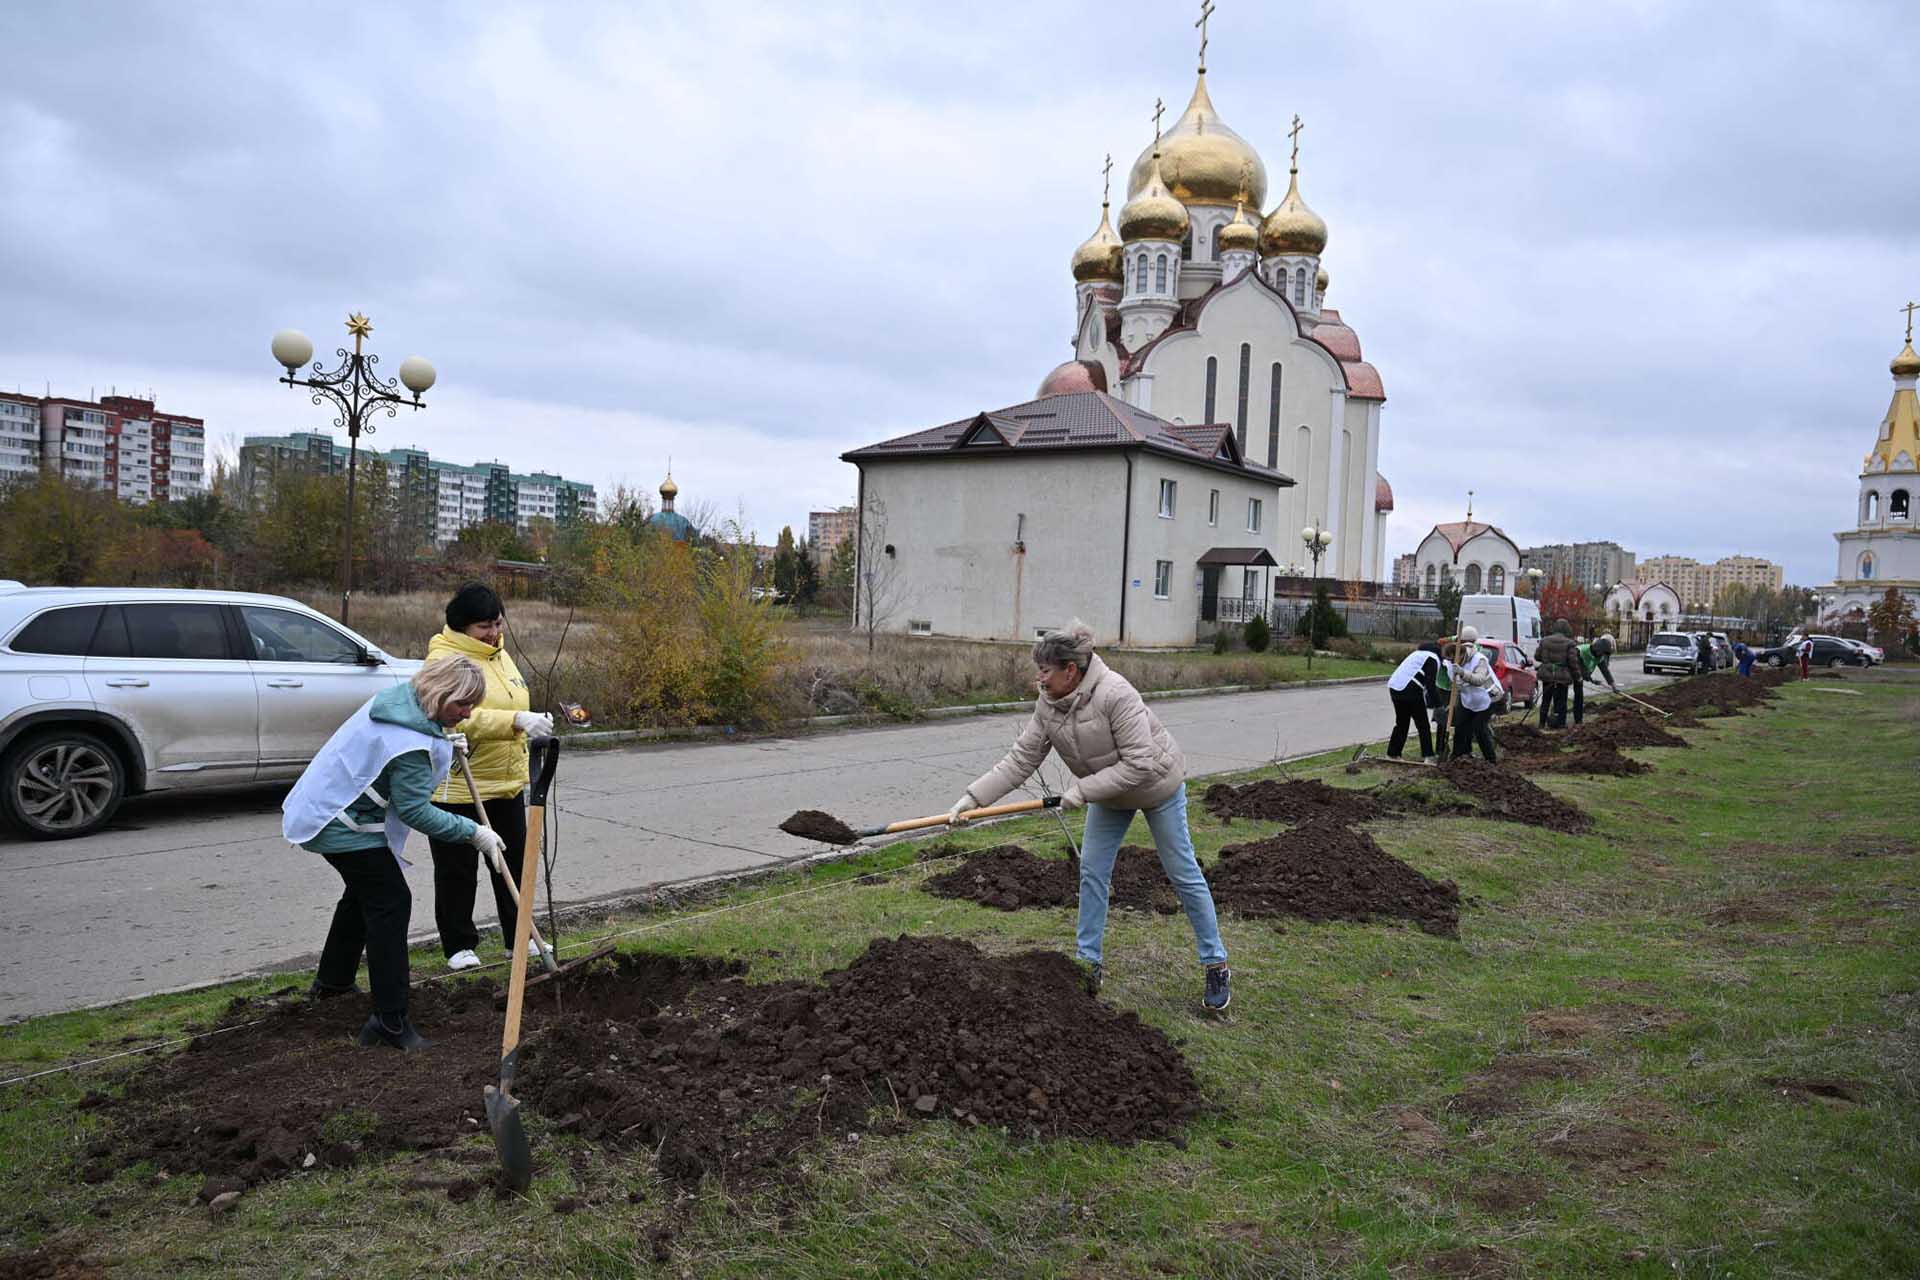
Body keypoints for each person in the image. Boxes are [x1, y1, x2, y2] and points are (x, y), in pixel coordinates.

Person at [948, 622, 1231, 1011]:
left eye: (1046, 670)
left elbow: (1140, 764)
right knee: (1092, 872)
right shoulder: (1048, 704)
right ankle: (1088, 963)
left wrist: (1081, 790)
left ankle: (1215, 962)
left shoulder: (1116, 694)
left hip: (1156, 786)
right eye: (1039, 670)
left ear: (1071, 670)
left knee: (1182, 872)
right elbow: (1021, 759)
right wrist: (972, 798)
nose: (1039, 678)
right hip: (1109, 795)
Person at [283, 657, 506, 1051]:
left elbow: (411, 747)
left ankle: (332, 984)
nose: (467, 713)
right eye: (461, 706)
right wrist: (473, 832)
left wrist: (442, 736)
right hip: (338, 821)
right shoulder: (411, 743)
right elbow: (415, 810)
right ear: (439, 695)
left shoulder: (405, 703)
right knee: (390, 901)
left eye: (472, 705)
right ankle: (389, 1019)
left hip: (328, 804)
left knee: (364, 893)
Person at [425, 583, 555, 972]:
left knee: (513, 863)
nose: (494, 632)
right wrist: (516, 721)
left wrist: (533, 719)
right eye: (485, 626)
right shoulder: (444, 657)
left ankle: (521, 937)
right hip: (460, 784)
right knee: (457, 870)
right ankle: (459, 945)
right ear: (462, 626)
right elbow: (458, 712)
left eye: (498, 623)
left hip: (506, 781)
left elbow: (512, 699)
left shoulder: (500, 655)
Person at [1447, 626, 1499, 762]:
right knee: (1460, 726)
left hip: (1489, 698)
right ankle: (1458, 756)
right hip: (1470, 699)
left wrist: (1463, 673)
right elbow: (1456, 683)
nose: (1454, 661)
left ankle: (1491, 760)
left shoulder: (1480, 659)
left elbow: (1479, 680)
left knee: (1479, 728)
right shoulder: (1454, 660)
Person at [1384, 645, 1440, 760]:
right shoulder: (1432, 659)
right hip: (1410, 690)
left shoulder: (1416, 655)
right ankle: (1428, 755)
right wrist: (1438, 704)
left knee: (1402, 723)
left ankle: (1393, 753)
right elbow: (1431, 685)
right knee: (1423, 725)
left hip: (1394, 687)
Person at [1534, 617, 1579, 730]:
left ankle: (1542, 723)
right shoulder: (1570, 643)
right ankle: (1561, 724)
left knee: (1546, 700)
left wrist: (1547, 661)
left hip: (1547, 675)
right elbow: (1573, 662)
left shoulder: (1545, 641)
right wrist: (1578, 677)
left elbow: (1537, 656)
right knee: (1561, 701)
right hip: (1562, 676)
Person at [1572, 633, 1618, 724]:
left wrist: (1613, 686)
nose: (1603, 656)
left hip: (1581, 676)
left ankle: (1578, 720)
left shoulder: (1599, 657)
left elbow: (1606, 672)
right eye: (1603, 653)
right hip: (1570, 672)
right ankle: (1559, 718)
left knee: (1579, 696)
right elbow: (1576, 666)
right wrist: (1589, 678)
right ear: (1598, 650)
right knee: (1565, 695)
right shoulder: (1581, 650)